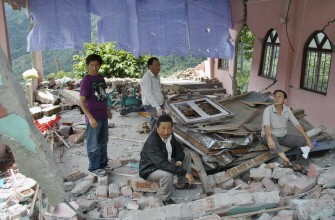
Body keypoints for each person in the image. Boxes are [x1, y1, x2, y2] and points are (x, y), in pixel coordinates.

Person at [139, 114, 195, 205]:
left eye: (169, 128)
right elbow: (162, 164)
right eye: (163, 128)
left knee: (186, 155)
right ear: (157, 128)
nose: (166, 132)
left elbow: (178, 149)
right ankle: (165, 199)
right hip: (150, 169)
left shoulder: (170, 135)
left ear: (172, 128)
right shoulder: (152, 142)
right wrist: (184, 173)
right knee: (167, 174)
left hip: (164, 160)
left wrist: (179, 161)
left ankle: (181, 184)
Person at [261, 90, 314, 172]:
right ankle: (287, 161)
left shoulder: (287, 110)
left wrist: (307, 139)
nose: (276, 98)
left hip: (283, 137)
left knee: (302, 142)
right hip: (268, 137)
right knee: (272, 137)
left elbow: (297, 125)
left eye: (280, 96)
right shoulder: (268, 110)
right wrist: (269, 138)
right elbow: (266, 126)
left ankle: (299, 164)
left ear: (285, 100)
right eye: (275, 96)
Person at [80, 54, 113, 177]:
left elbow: (103, 96)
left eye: (97, 65)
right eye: (92, 65)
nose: (94, 67)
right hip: (93, 116)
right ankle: (94, 167)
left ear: (100, 66)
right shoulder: (86, 81)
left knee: (103, 142)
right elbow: (82, 102)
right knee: (93, 143)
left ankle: (103, 164)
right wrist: (90, 117)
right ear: (88, 66)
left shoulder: (100, 77)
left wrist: (108, 110)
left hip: (103, 115)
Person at [140, 57, 165, 130]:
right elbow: (148, 94)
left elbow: (157, 91)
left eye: (159, 65)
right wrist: (157, 107)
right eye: (156, 65)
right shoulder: (146, 78)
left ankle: (152, 139)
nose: (159, 67)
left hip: (159, 104)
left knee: (154, 124)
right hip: (151, 106)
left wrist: (161, 101)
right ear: (150, 67)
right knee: (164, 120)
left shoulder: (157, 76)